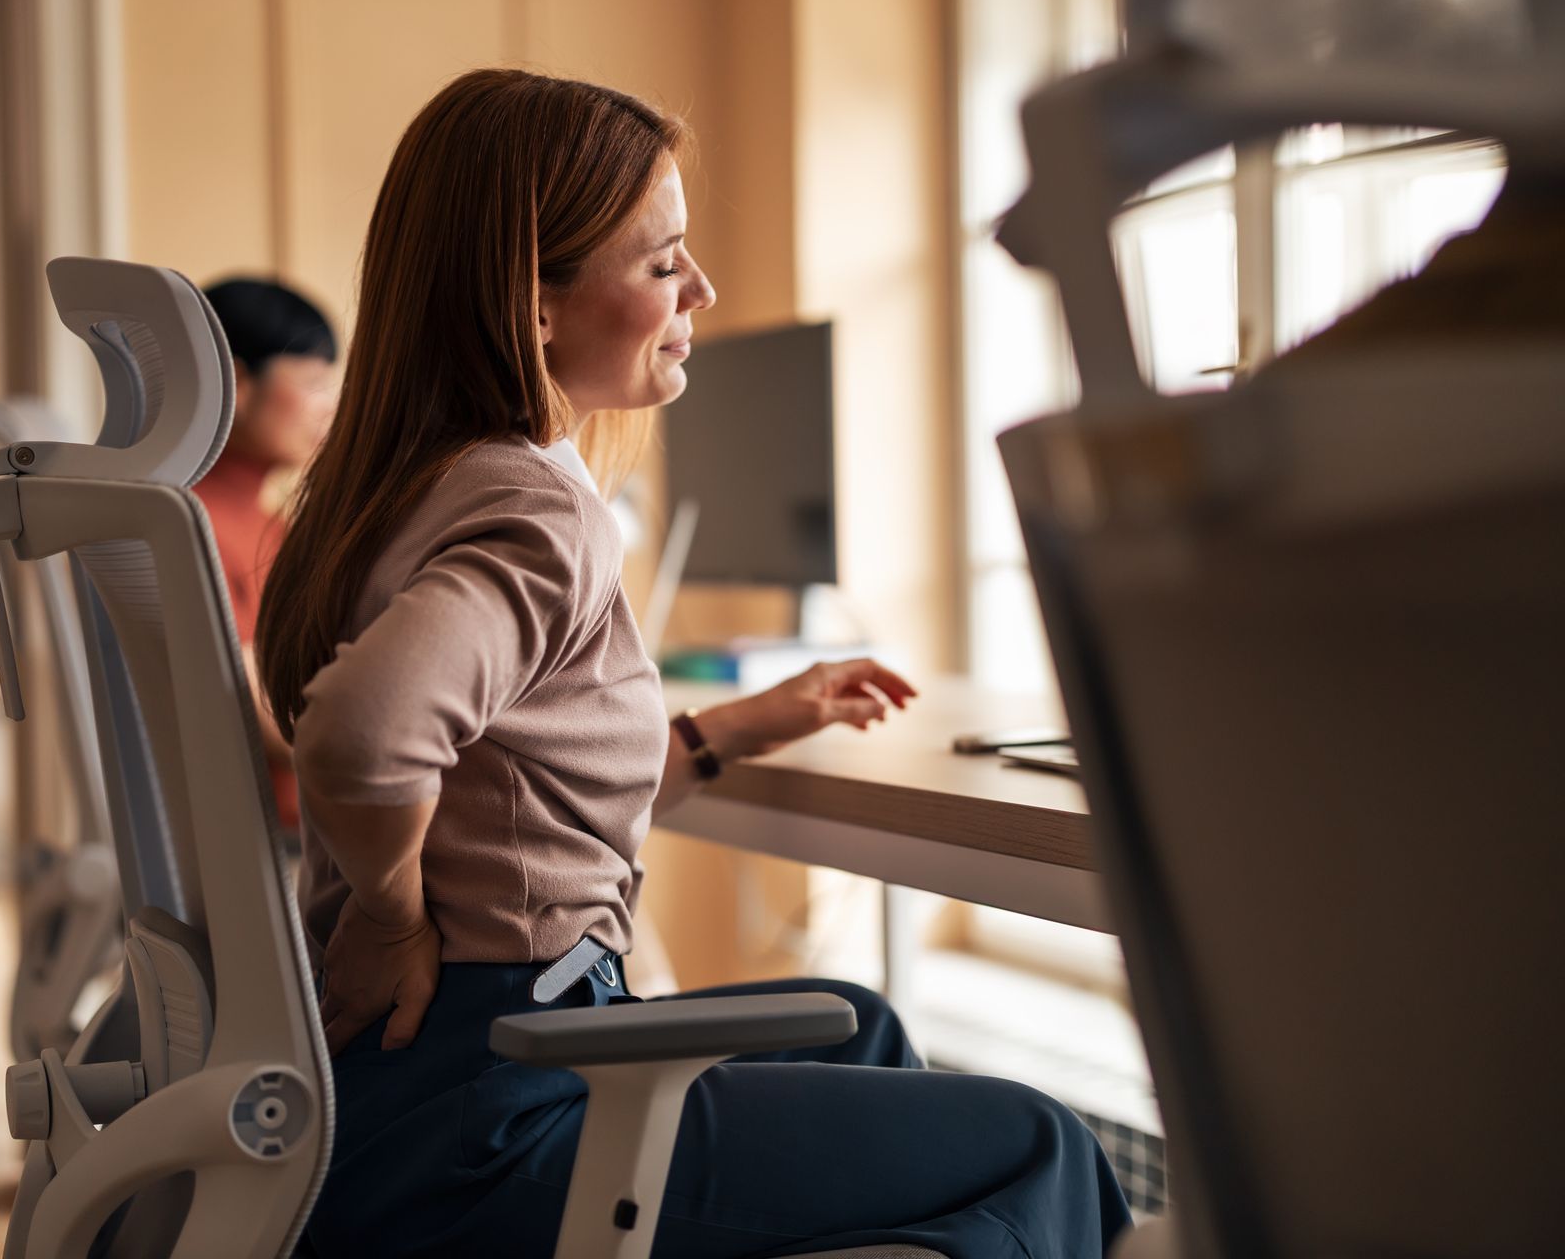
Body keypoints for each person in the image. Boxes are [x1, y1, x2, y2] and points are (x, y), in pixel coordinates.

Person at [256, 69, 1131, 1258]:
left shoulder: (388, 492)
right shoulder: (536, 507)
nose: (701, 290)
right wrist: (391, 915)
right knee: (1044, 1143)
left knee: (855, 1026)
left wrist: (736, 728)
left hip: (400, 1090)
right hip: (492, 1113)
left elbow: (512, 811)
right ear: (536, 303)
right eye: (664, 262)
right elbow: (364, 736)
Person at [194, 277, 338, 834]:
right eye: (312, 382)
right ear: (235, 382)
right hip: (281, 849)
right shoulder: (192, 523)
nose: (330, 406)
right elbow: (263, 719)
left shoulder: (272, 526)